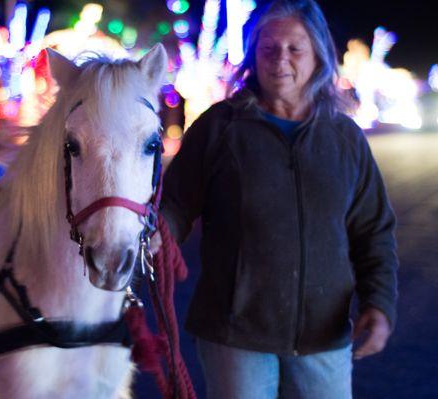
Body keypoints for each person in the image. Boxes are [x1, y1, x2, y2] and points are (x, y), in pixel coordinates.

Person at [155, 0, 398, 397]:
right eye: (268, 48)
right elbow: (177, 204)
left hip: (324, 337)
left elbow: (373, 231)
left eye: (294, 48)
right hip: (234, 336)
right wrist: (156, 235)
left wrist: (380, 304)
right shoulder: (220, 127)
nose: (279, 60)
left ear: (319, 52)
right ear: (253, 55)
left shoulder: (344, 139)